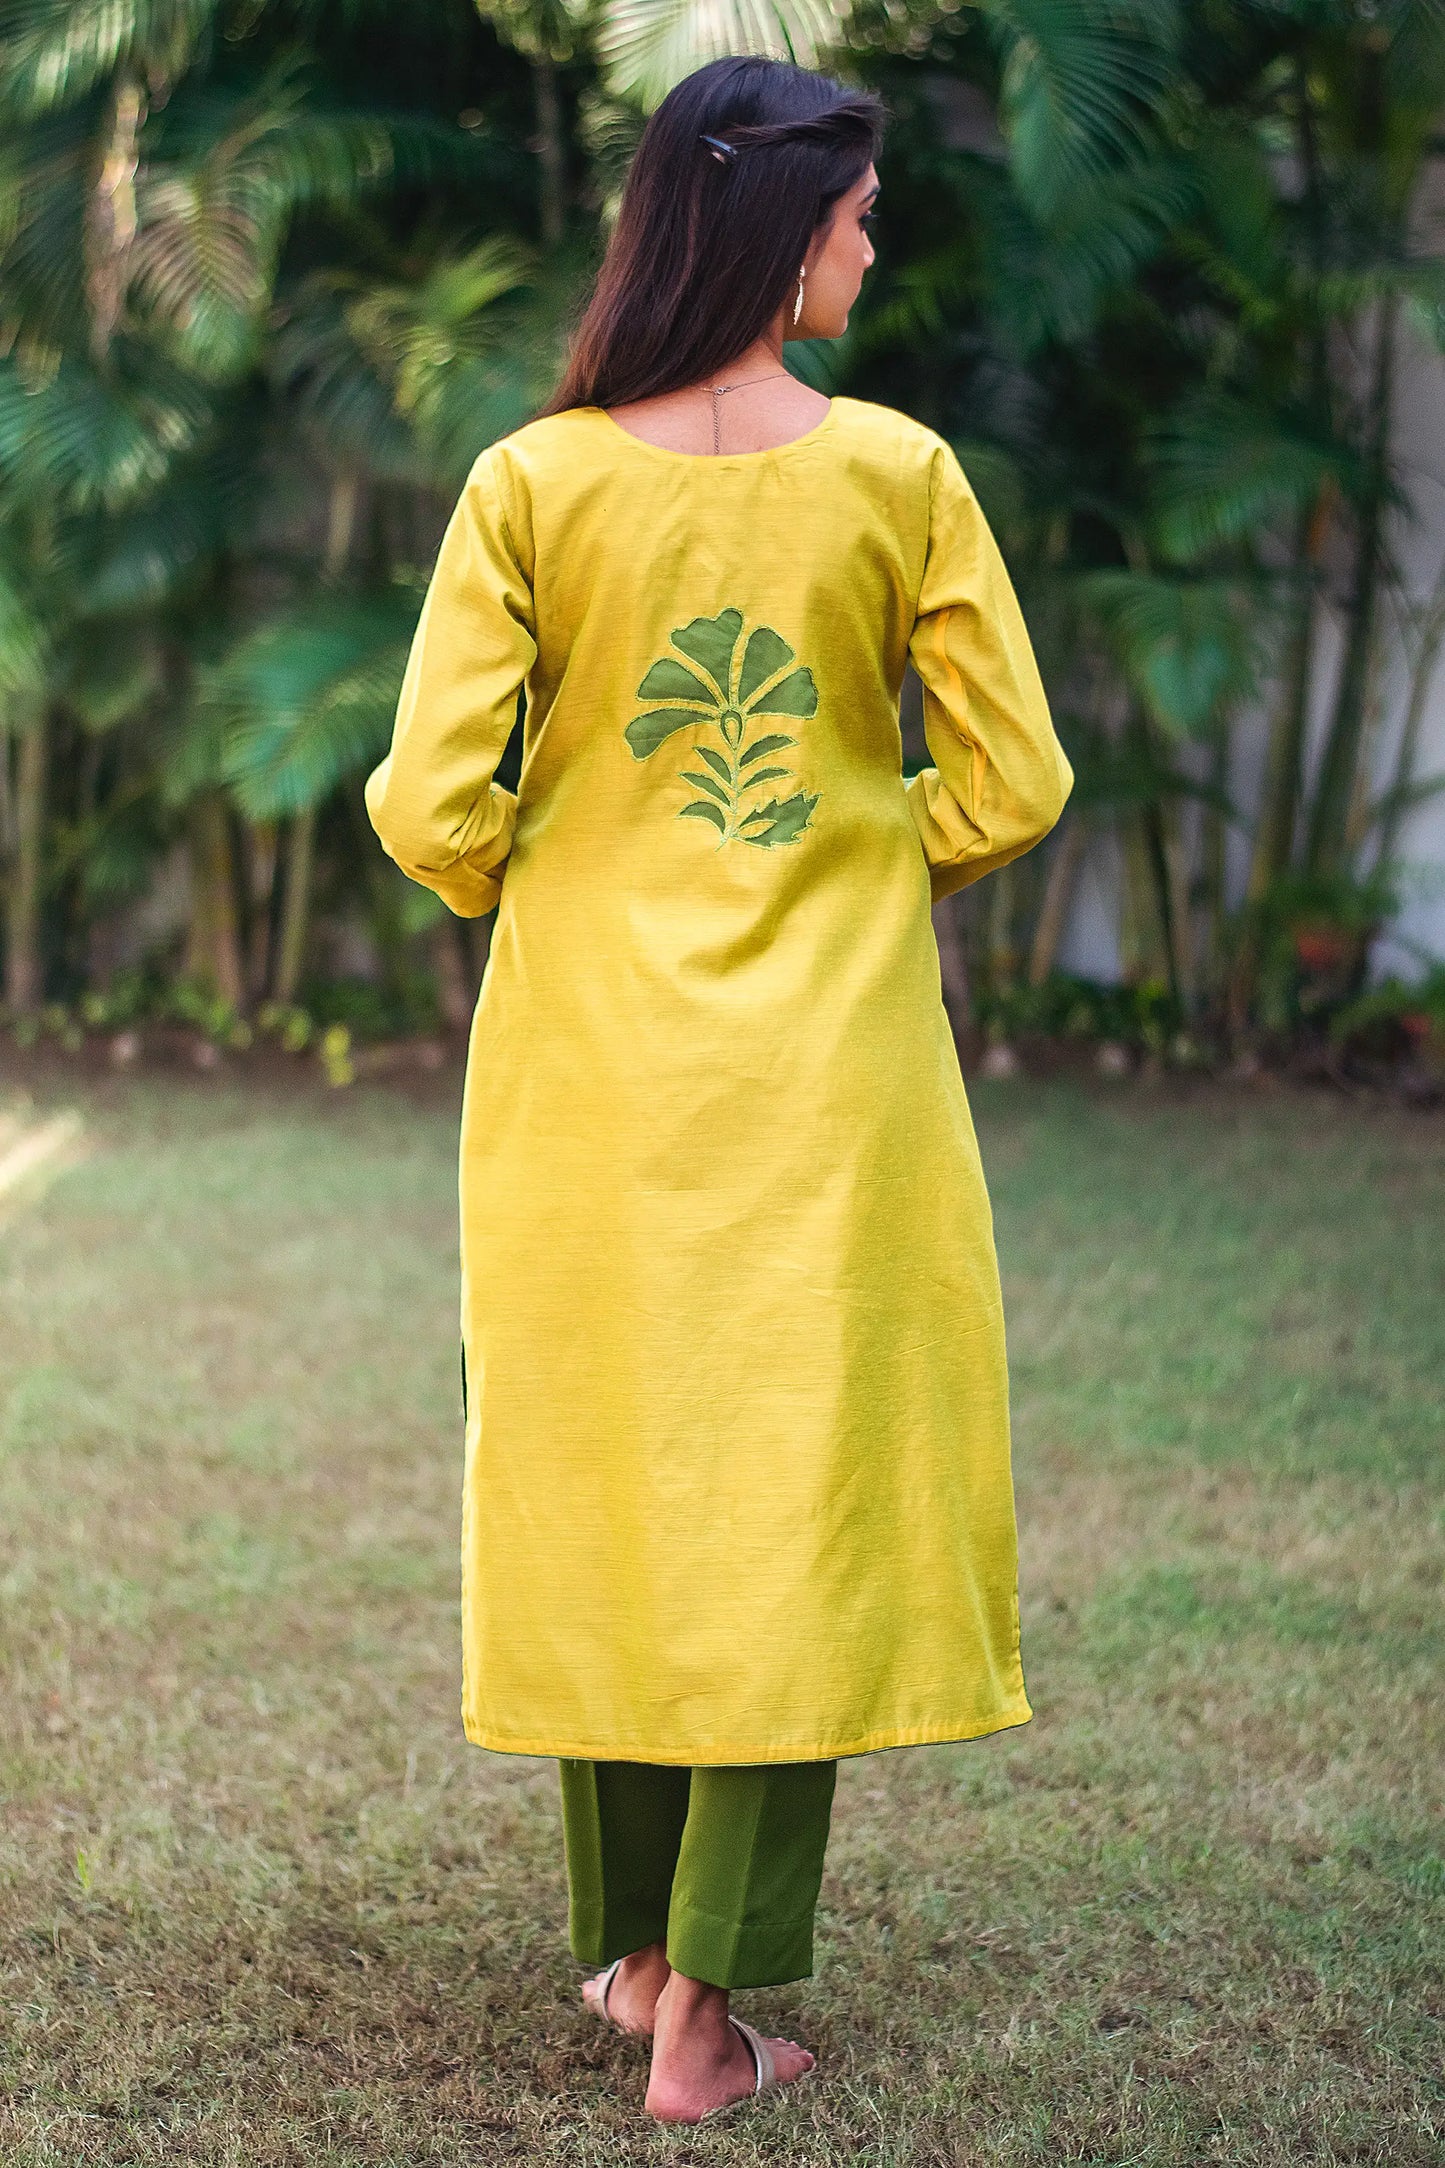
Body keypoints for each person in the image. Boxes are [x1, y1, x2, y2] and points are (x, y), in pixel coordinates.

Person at [365, 52, 1073, 2127]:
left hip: (588, 1077)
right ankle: (713, 2004)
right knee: (793, 1503)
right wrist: (862, 850)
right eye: (856, 218)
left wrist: (568, 877)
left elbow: (427, 802)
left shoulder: (530, 482)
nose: (872, 246)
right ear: (783, 231)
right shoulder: (901, 477)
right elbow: (1015, 778)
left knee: (615, 1483)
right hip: (828, 1091)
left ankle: (634, 1947)